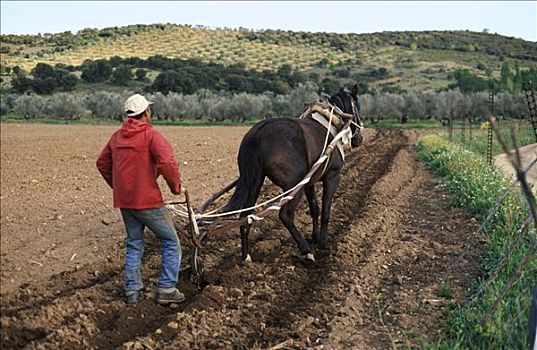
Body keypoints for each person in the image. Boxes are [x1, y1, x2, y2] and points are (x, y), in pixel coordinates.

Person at [96, 94, 185, 305]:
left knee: (135, 244)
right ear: (146, 113)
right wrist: (176, 187)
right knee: (172, 242)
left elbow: (102, 163)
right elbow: (167, 162)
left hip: (125, 202)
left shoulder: (117, 137)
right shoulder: (151, 135)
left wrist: (119, 186)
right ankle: (166, 287)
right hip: (148, 202)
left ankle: (133, 292)